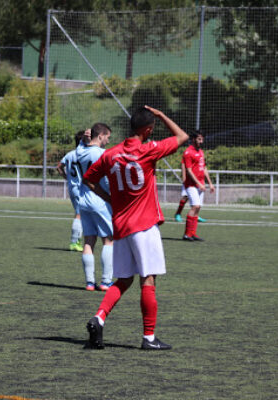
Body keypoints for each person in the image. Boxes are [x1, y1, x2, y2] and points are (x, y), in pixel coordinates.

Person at [82, 106, 188, 350]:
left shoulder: (110, 154)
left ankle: (98, 318)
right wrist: (161, 115)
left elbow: (89, 180)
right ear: (149, 129)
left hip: (121, 225)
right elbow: (182, 137)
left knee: (124, 279)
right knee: (148, 279)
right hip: (144, 225)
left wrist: (110, 199)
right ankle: (149, 338)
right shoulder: (148, 150)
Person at [76, 123, 114, 292]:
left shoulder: (80, 152)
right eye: (107, 137)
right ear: (100, 136)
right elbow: (105, 180)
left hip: (83, 201)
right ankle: (106, 282)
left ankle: (90, 282)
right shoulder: (103, 154)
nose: (108, 140)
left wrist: (84, 140)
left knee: (89, 241)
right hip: (99, 199)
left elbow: (81, 148)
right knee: (108, 240)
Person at [180, 130, 215, 242]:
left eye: (202, 139)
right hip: (191, 185)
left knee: (198, 208)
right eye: (199, 139)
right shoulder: (188, 152)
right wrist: (199, 184)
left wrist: (210, 183)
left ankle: (192, 233)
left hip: (200, 185)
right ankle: (186, 234)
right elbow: (189, 170)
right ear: (193, 139)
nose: (201, 141)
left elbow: (204, 168)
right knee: (195, 206)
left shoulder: (200, 152)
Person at [57, 131, 86, 252]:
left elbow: (59, 166)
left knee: (79, 213)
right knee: (80, 215)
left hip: (72, 187)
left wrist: (66, 177)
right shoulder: (86, 155)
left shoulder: (70, 154)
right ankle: (74, 242)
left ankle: (77, 240)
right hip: (82, 188)